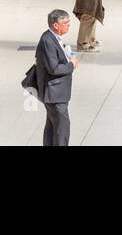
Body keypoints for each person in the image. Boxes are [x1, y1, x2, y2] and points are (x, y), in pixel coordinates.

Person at [34, 9, 76, 146]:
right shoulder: (47, 41)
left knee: (52, 126)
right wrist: (71, 65)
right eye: (65, 23)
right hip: (54, 94)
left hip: (56, 93)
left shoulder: (54, 38)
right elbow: (54, 68)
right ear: (56, 25)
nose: (68, 25)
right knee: (62, 129)